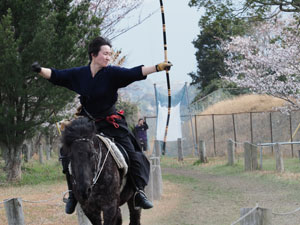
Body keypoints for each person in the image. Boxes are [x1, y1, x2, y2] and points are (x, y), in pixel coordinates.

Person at [31, 36, 172, 214]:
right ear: (93, 55)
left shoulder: (112, 73)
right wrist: (39, 70)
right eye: (105, 54)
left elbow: (135, 72)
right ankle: (73, 194)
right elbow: (57, 75)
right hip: (87, 124)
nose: (108, 57)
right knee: (66, 152)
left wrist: (158, 67)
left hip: (111, 122)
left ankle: (138, 192)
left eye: (110, 54)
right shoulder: (79, 74)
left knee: (133, 152)